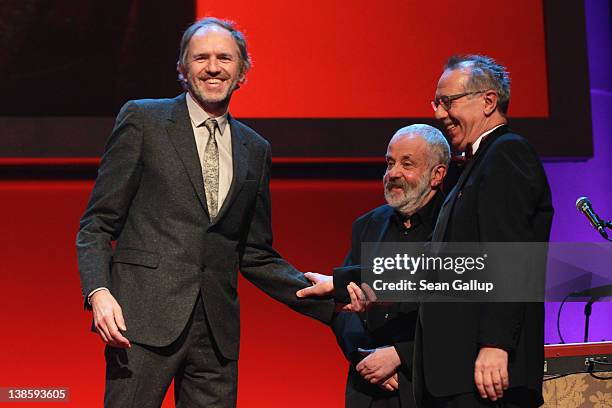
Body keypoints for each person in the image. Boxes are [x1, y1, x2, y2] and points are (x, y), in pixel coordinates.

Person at [76, 17, 334, 407]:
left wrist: (325, 299)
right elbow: (97, 224)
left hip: (216, 332)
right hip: (141, 322)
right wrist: (99, 293)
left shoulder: (255, 148)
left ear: (242, 72)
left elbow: (253, 251)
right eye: (201, 58)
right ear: (183, 69)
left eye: (225, 58)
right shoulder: (144, 120)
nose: (213, 67)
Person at [414, 55, 553, 407]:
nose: (439, 114)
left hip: (485, 374)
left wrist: (496, 343)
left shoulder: (507, 154)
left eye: (448, 102)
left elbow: (512, 256)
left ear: (489, 101)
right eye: (437, 103)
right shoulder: (475, 166)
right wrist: (345, 282)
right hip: (458, 376)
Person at [332, 125, 449, 408]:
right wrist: (364, 355)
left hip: (429, 385)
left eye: (407, 164)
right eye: (389, 163)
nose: (393, 173)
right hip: (369, 388)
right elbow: (344, 306)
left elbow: (457, 312)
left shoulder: (454, 227)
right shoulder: (367, 225)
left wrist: (402, 354)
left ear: (437, 174)